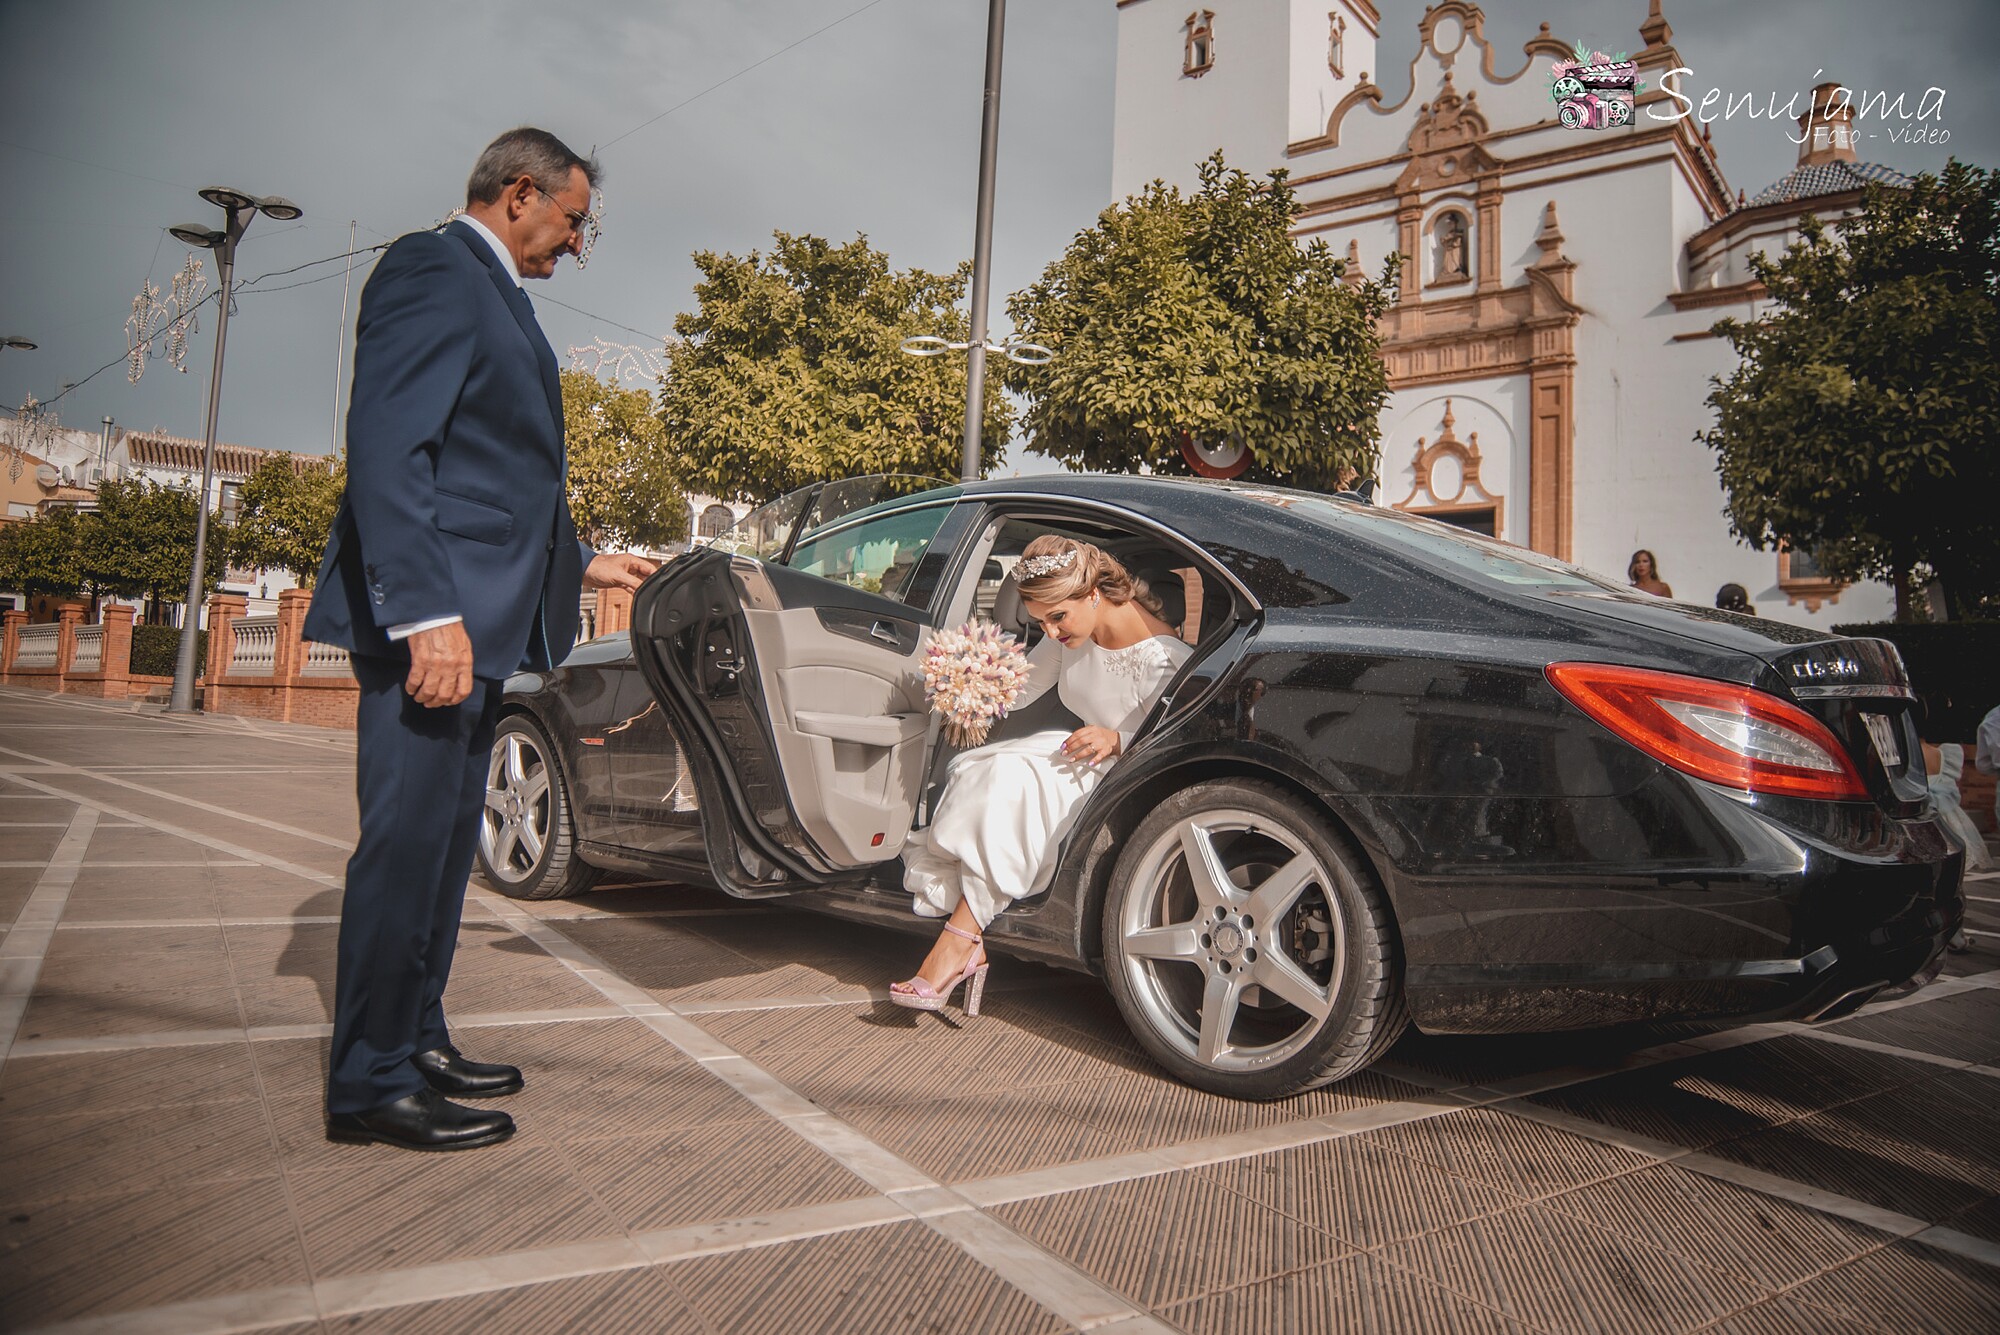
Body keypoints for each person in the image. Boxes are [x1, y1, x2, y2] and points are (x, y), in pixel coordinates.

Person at [304, 128, 657, 1151]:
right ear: (518, 191)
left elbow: (496, 475)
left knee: (443, 851)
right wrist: (425, 616)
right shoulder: (433, 269)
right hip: (437, 626)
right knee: (404, 849)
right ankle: (368, 1083)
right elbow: (390, 451)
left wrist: (580, 561)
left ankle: (415, 1036)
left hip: (477, 619)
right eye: (572, 220)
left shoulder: (497, 293)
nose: (575, 243)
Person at [892, 536, 1193, 1012]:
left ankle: (956, 945)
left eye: (1057, 617)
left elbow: (1178, 741)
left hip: (1121, 774)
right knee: (978, 770)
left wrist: (1117, 740)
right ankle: (967, 941)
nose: (1050, 632)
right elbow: (1022, 689)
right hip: (1070, 754)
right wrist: (972, 678)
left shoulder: (1166, 660)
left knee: (1010, 782)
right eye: (1040, 621)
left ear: (1093, 593)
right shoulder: (1071, 636)